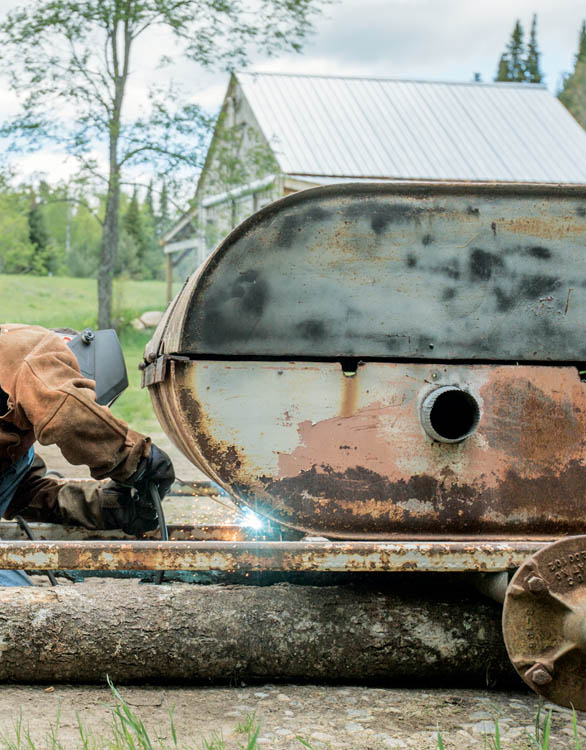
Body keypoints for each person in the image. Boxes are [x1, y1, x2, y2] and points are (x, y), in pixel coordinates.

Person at [0, 323, 175, 586]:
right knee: (24, 607)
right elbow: (67, 415)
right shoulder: (36, 348)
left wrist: (106, 507)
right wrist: (137, 459)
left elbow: (25, 494)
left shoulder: (11, 426)